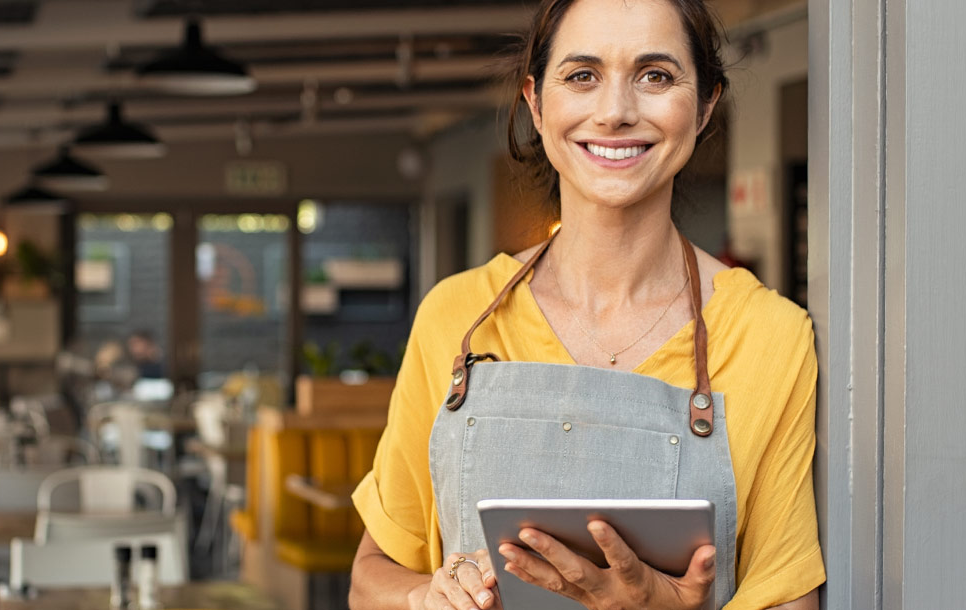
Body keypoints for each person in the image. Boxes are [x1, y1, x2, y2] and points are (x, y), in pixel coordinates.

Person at [349, 1, 822, 609]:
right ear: (537, 103)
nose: (616, 112)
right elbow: (369, 578)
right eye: (582, 76)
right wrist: (422, 597)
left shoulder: (768, 336)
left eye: (655, 75)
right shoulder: (457, 316)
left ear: (705, 104)